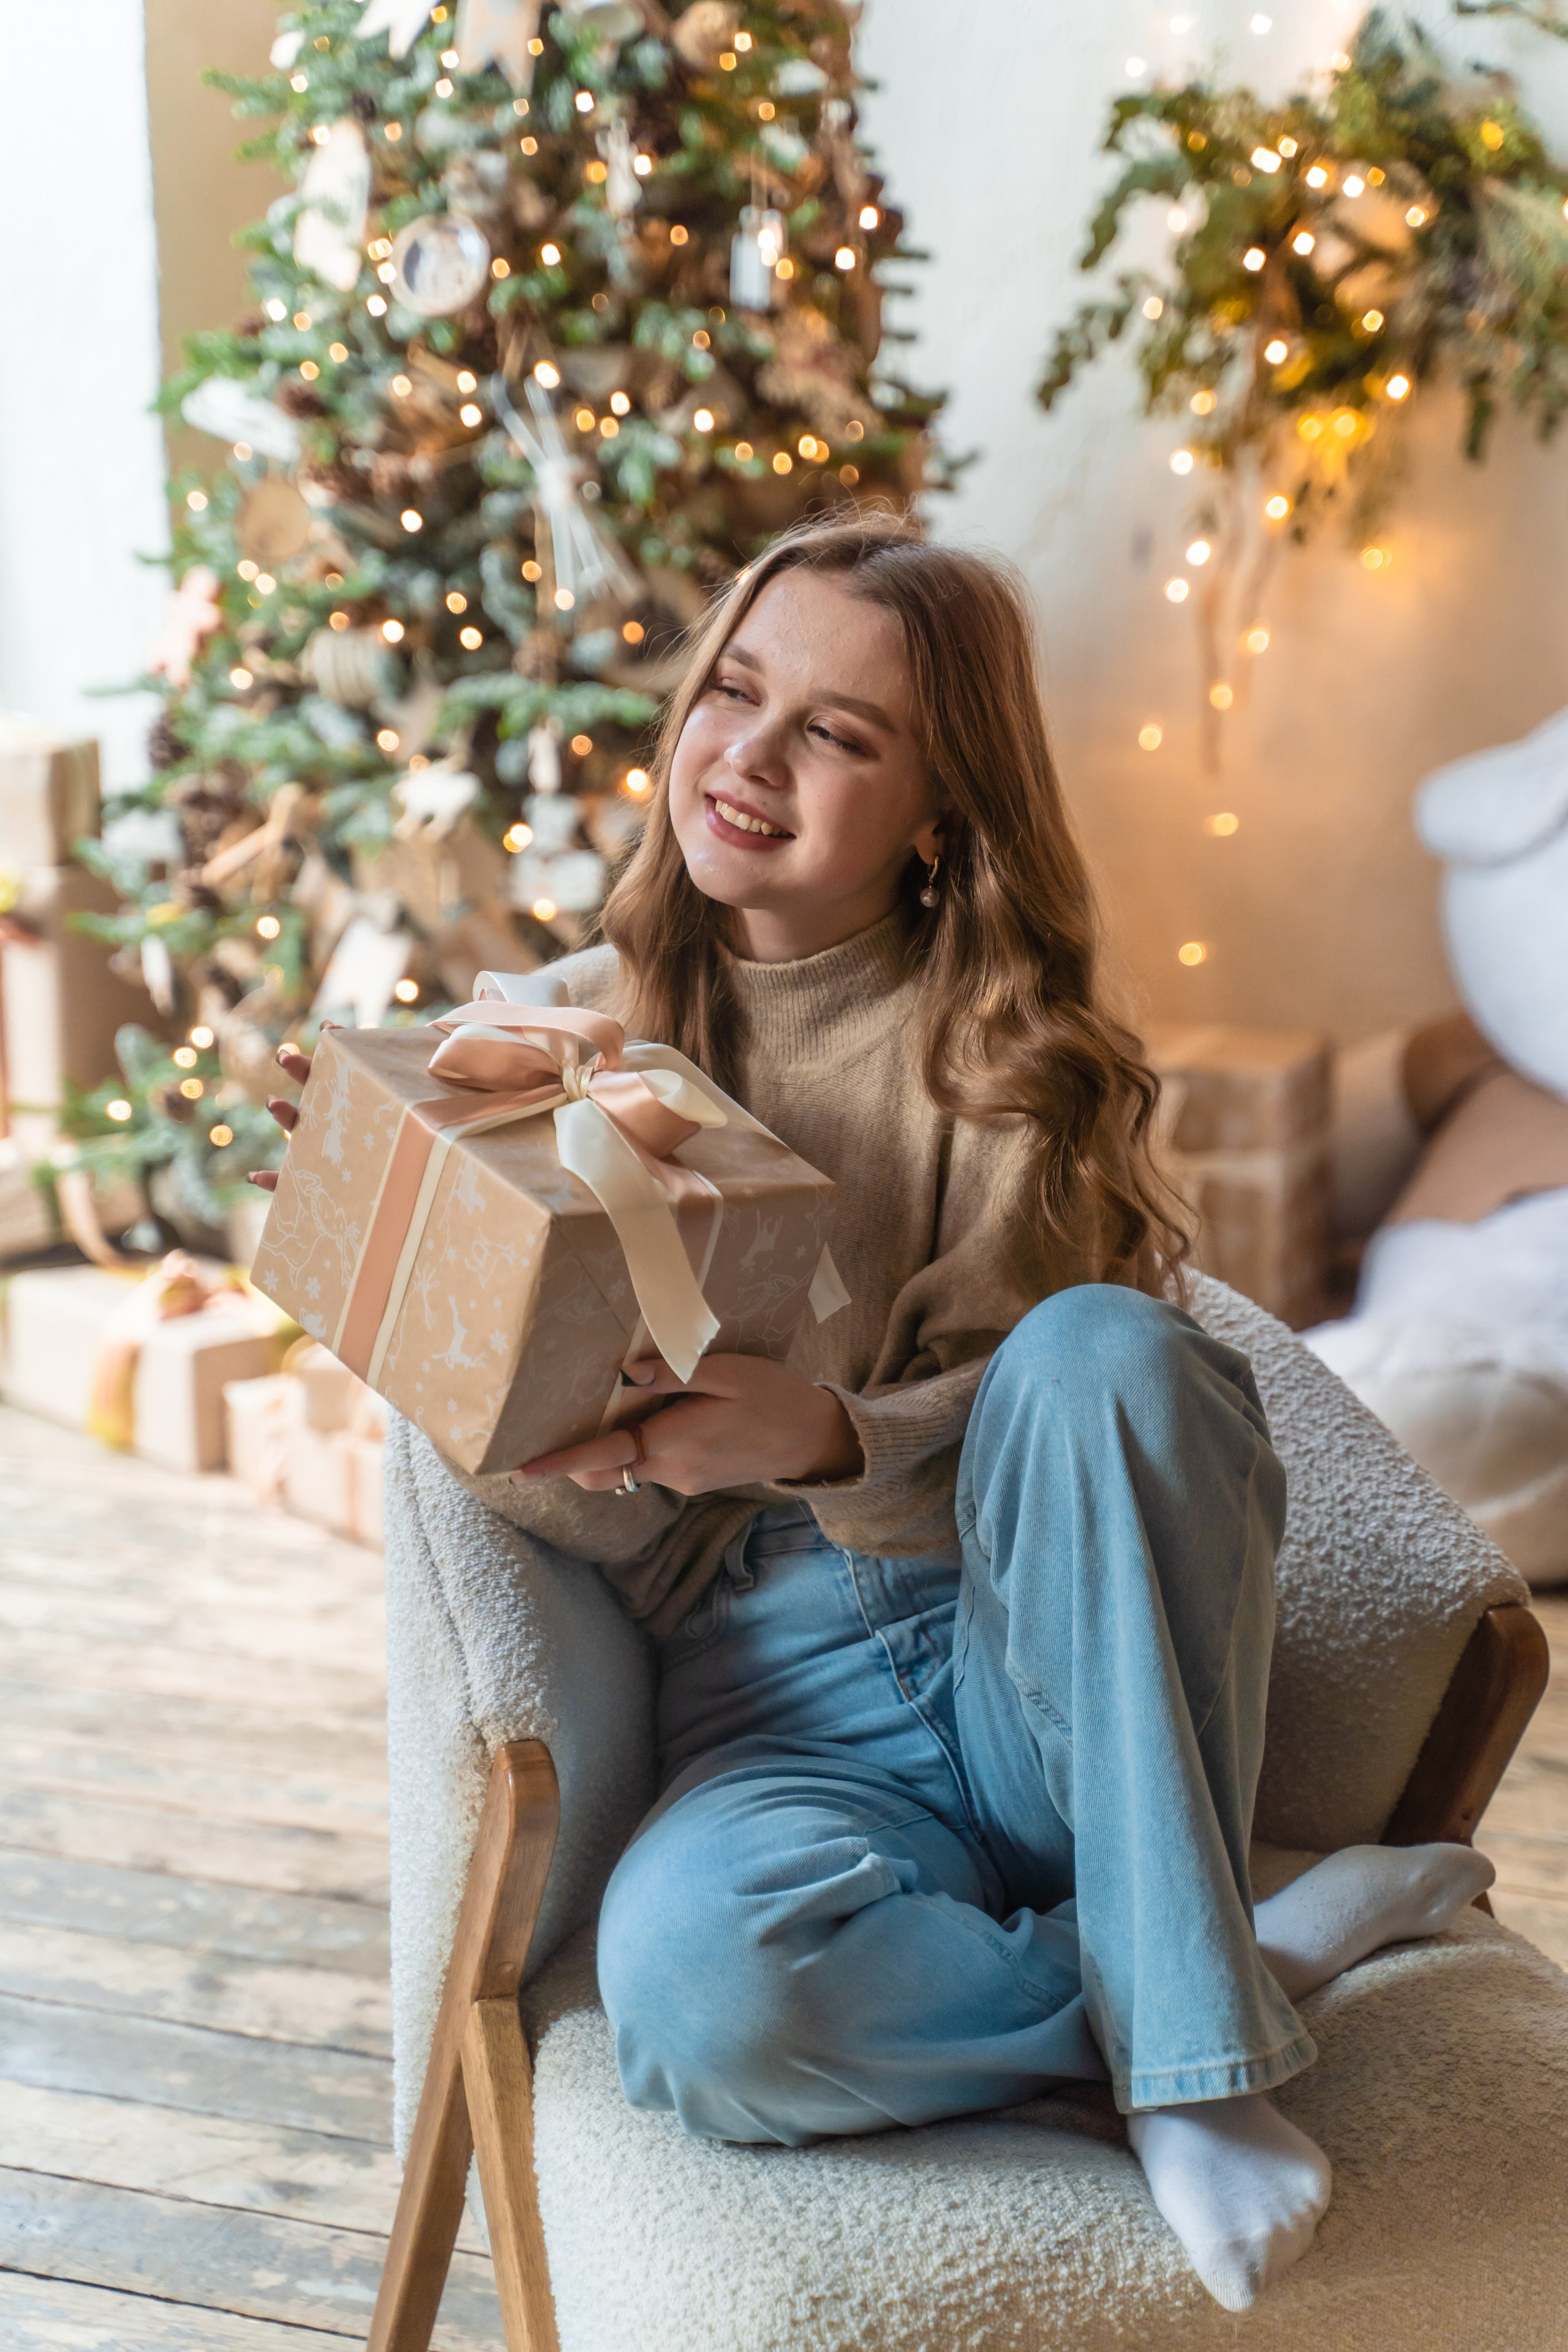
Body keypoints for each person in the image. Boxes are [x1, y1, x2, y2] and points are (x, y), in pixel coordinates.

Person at [257, 519, 1491, 2312]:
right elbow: (585, 1532)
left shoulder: (1010, 1059)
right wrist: (470, 1326)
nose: (751, 757)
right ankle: (1222, 1965)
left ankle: (1190, 2071)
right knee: (702, 2007)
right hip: (774, 1717)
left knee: (1109, 1346)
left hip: (1045, 1667)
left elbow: (1115, 1427)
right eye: (736, 694)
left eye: (838, 734)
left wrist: (829, 1437)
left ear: (940, 811)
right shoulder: (555, 1048)